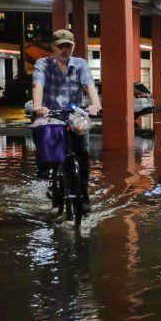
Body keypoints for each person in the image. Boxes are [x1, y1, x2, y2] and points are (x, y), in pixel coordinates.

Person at [32, 29, 102, 211]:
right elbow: (38, 85)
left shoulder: (80, 64)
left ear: (73, 47)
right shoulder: (43, 64)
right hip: (50, 113)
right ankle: (45, 168)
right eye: (60, 46)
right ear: (53, 47)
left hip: (74, 113)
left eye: (68, 46)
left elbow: (90, 86)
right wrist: (38, 106)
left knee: (83, 152)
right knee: (39, 127)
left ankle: (84, 195)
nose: (64, 50)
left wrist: (95, 104)